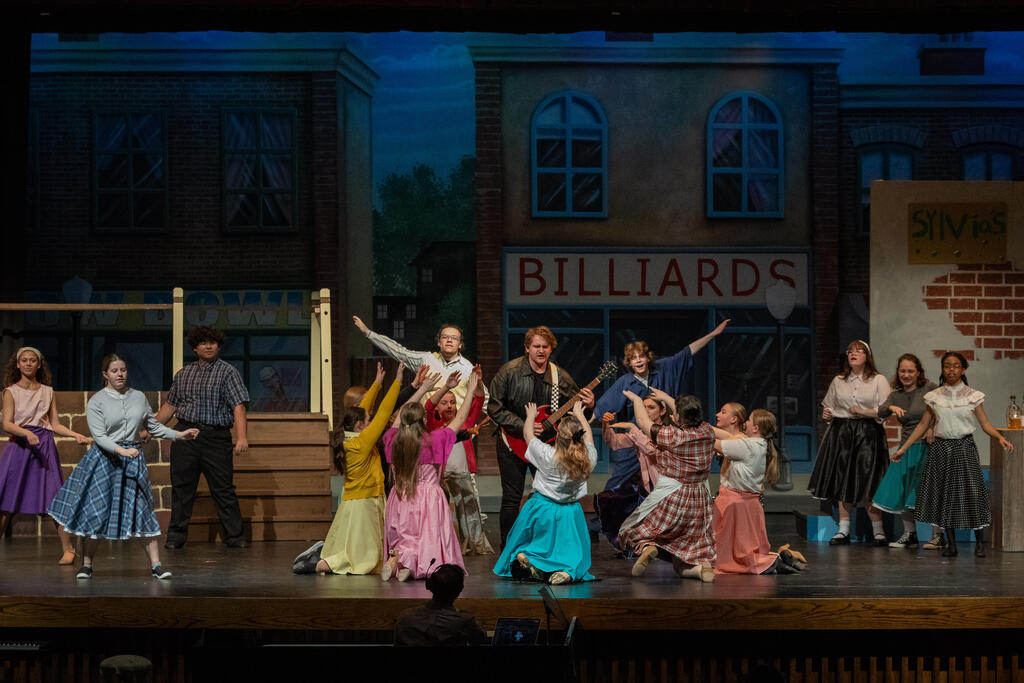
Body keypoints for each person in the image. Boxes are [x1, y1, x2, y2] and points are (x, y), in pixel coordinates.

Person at [47, 354, 199, 579]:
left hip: (133, 459)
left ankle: (156, 565)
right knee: (97, 510)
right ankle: (87, 564)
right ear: (105, 374)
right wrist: (121, 451)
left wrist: (178, 435)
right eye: (115, 371)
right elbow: (99, 436)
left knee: (142, 509)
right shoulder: (97, 401)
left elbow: (153, 426)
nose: (120, 374)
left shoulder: (138, 397)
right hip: (105, 460)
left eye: (123, 370)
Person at [893, 352, 1014, 558]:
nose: (951, 370)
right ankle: (951, 544)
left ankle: (979, 543)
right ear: (942, 369)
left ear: (963, 369)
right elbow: (922, 425)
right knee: (945, 495)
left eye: (956, 366)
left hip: (964, 447)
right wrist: (903, 448)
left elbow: (984, 423)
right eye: (947, 366)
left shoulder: (972, 395)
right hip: (941, 449)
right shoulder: (935, 396)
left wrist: (999, 437)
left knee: (972, 493)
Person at [487, 325, 595, 547]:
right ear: (527, 348)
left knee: (548, 496)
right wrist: (523, 425)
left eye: (545, 346)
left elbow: (577, 414)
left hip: (547, 446)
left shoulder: (559, 376)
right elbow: (494, 408)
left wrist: (590, 405)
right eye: (536, 346)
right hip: (512, 442)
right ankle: (508, 548)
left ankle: (543, 546)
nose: (541, 350)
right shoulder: (509, 372)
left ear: (550, 348)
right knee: (512, 498)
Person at [594, 319, 730, 491]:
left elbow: (686, 353)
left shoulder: (663, 368)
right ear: (628, 362)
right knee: (619, 482)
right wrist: (581, 422)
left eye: (641, 356)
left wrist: (712, 334)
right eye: (633, 358)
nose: (638, 361)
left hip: (662, 437)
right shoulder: (625, 381)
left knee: (663, 479)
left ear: (647, 357)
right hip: (636, 440)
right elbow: (603, 406)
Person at [292, 362, 399, 575]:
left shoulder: (348, 437)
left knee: (355, 549)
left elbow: (362, 411)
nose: (370, 421)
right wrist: (397, 381)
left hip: (354, 502)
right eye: (367, 421)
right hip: (365, 503)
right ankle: (319, 563)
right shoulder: (361, 442)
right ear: (359, 425)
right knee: (362, 558)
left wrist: (377, 384)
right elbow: (383, 413)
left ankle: (322, 556)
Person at [153, 326, 250, 549]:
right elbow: (170, 406)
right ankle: (176, 537)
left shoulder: (228, 372)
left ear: (218, 346)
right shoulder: (184, 374)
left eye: (213, 342)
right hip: (186, 436)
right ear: (195, 348)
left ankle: (235, 537)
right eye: (204, 343)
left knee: (223, 489)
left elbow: (239, 405)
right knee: (182, 489)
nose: (209, 346)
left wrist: (242, 437)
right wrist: (151, 429)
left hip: (215, 437)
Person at [382, 369, 480, 581]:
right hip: (428, 497)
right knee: (426, 536)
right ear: (424, 419)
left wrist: (422, 390)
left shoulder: (393, 439)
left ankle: (402, 561)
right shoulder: (434, 439)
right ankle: (413, 565)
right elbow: (460, 418)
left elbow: (401, 415)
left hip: (400, 495)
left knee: (406, 533)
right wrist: (470, 391)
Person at [0, 347, 90, 564]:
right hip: (19, 446)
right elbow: (7, 423)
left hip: (44, 447)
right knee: (7, 500)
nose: (28, 363)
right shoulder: (10, 391)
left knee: (54, 497)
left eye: (32, 360)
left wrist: (75, 434)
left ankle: (68, 549)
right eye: (24, 360)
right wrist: (26, 433)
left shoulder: (48, 391)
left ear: (39, 365)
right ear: (18, 364)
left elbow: (54, 424)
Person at [494, 399, 597, 585]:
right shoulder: (589, 458)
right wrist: (581, 416)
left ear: (558, 435)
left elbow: (528, 435)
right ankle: (567, 571)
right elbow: (589, 438)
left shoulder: (548, 455)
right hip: (569, 512)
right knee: (572, 550)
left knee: (537, 543)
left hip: (543, 508)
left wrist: (530, 416)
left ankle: (531, 559)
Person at [619, 391, 716, 582]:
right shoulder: (707, 431)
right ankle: (701, 569)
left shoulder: (672, 436)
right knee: (684, 556)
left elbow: (643, 422)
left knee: (632, 529)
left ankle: (648, 547)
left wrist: (637, 400)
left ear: (678, 417)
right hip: (699, 501)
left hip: (674, 494)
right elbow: (687, 413)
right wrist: (665, 397)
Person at [808, 340, 892, 546]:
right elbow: (829, 407)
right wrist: (827, 415)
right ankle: (843, 529)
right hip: (842, 432)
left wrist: (862, 411)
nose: (853, 354)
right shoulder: (839, 380)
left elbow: (885, 410)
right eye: (850, 351)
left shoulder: (878, 380)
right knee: (842, 477)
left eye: (859, 351)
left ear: (867, 356)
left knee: (869, 479)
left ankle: (878, 531)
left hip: (868, 433)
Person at [713, 409, 798, 575]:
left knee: (737, 547)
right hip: (748, 503)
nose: (746, 423)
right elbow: (727, 437)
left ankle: (767, 563)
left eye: (749, 420)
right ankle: (775, 561)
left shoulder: (748, 445)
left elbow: (715, 443)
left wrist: (695, 428)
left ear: (756, 428)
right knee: (746, 544)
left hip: (736, 503)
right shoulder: (759, 444)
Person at [870, 354, 940, 549]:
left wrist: (933, 428)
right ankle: (910, 534)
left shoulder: (929, 388)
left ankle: (938, 535)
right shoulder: (896, 394)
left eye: (910, 371)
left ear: (918, 372)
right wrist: (891, 406)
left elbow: (942, 411)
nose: (906, 375)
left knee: (928, 490)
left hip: (927, 446)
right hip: (907, 446)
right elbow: (881, 411)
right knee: (903, 489)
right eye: (903, 371)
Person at [424, 366, 493, 555]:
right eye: (444, 403)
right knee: (449, 513)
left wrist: (478, 382)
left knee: (469, 512)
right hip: (443, 478)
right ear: (438, 407)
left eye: (453, 402)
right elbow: (427, 407)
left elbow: (479, 401)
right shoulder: (434, 425)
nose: (449, 406)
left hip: (463, 475)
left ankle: (473, 544)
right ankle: (449, 545)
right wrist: (445, 388)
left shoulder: (465, 422)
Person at [596, 392, 672, 552]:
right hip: (648, 482)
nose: (645, 411)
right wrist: (606, 424)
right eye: (643, 407)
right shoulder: (641, 432)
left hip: (667, 485)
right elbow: (615, 443)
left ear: (662, 411)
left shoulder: (668, 431)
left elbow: (651, 449)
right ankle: (637, 546)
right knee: (614, 500)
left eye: (651, 407)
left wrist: (633, 428)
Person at [352, 316, 486, 407]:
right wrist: (368, 333)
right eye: (445, 337)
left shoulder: (468, 368)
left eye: (454, 338)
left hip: (456, 430)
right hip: (427, 429)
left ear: (460, 344)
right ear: (439, 342)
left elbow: (485, 400)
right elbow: (399, 351)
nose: (449, 340)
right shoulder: (426, 359)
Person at [393, 563, 486, 646]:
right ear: (459, 590)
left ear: (429, 585)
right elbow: (480, 639)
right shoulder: (465, 622)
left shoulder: (405, 618)